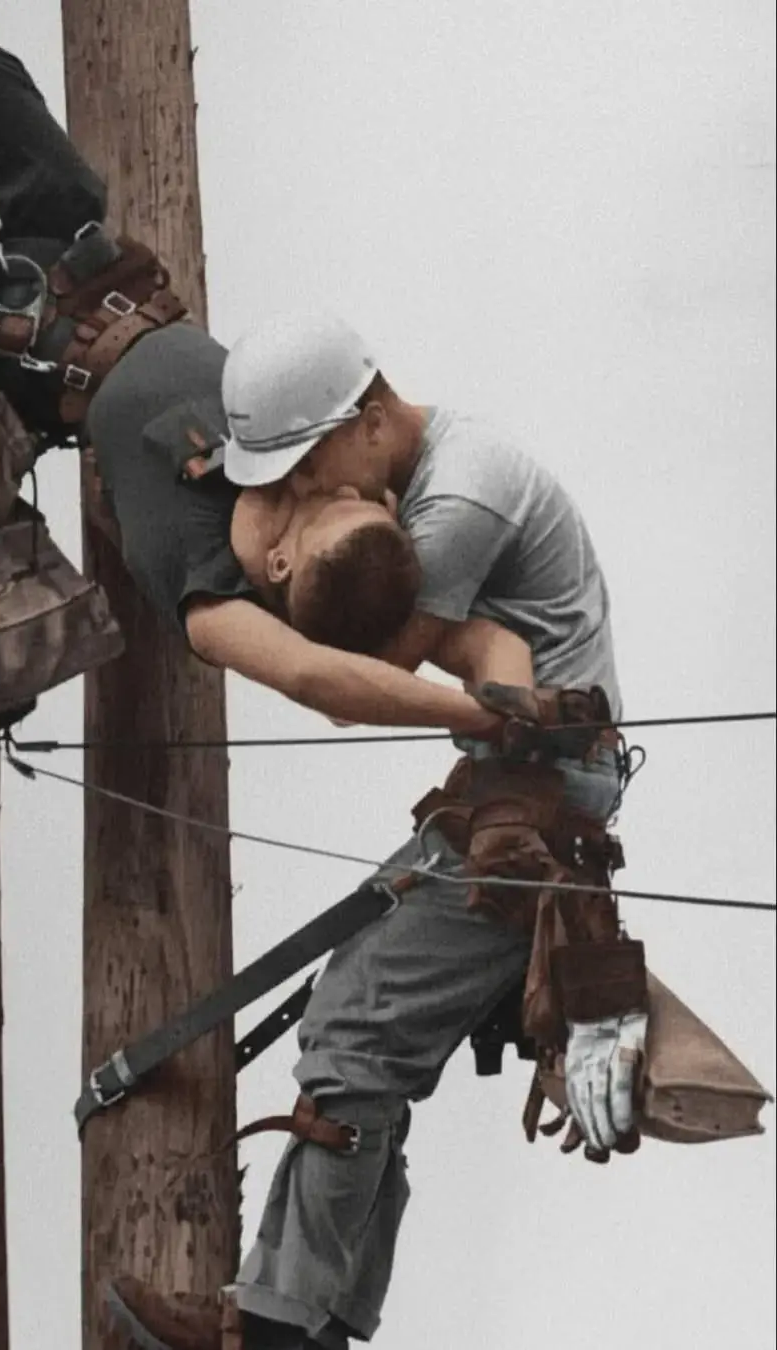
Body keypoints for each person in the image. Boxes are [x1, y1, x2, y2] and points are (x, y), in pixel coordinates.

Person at [107, 312, 640, 1350]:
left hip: (536, 804)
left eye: (304, 467)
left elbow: (348, 668)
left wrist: (234, 551)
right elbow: (475, 646)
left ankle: (276, 1329)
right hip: (511, 785)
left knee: (356, 1034)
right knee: (362, 1016)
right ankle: (303, 1315)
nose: (304, 491)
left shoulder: (457, 498)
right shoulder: (421, 471)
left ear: (369, 417)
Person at [0, 36, 520, 742]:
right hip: (88, 255)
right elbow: (485, 643)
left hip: (14, 334)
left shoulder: (208, 583)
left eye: (331, 510)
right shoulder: (297, 471)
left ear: (280, 565)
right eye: (363, 501)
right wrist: (521, 707)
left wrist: (466, 720)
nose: (338, 488)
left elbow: (316, 681)